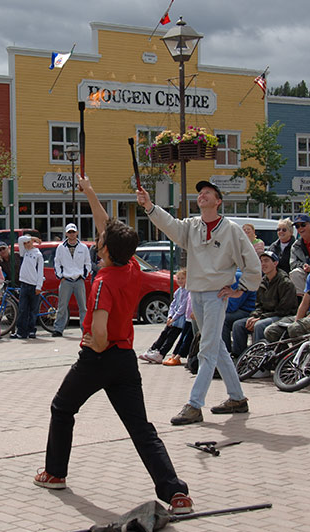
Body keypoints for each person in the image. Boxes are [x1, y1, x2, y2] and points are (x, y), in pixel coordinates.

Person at [33, 172, 193, 516]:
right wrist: (90, 191)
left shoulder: (103, 280)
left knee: (62, 409)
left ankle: (54, 473)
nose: (98, 238)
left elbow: (101, 330)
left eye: (101, 239)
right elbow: (109, 228)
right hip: (126, 360)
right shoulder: (131, 265)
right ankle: (176, 492)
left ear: (105, 249)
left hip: (98, 358)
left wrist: (95, 341)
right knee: (141, 428)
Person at [138, 179, 261, 423]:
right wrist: (150, 206)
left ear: (218, 201)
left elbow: (253, 263)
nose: (202, 195)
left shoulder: (232, 230)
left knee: (207, 349)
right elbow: (170, 225)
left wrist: (241, 288)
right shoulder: (192, 226)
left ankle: (194, 405)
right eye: (200, 192)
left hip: (216, 293)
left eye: (208, 192)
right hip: (196, 292)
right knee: (216, 347)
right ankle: (237, 398)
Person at [230, 250, 298, 359]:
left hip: (283, 316)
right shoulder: (262, 281)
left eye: (266, 261)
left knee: (259, 325)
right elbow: (258, 306)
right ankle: (239, 358)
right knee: (238, 325)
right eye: (261, 261)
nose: (263, 264)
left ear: (275, 263)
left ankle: (258, 359)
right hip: (266, 315)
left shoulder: (285, 283)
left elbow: (284, 310)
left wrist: (260, 318)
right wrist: (254, 316)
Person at [140, 269, 189, 364]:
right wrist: (170, 316)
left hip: (180, 320)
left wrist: (174, 318)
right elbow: (173, 304)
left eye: (183, 278)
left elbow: (183, 308)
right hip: (173, 319)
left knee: (171, 337)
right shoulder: (178, 291)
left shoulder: (188, 292)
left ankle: (161, 353)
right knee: (164, 333)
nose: (180, 280)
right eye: (178, 278)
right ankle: (153, 349)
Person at [52, 223, 91, 337]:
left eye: (73, 232)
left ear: (77, 233)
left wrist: (83, 275)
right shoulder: (61, 247)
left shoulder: (83, 247)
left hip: (79, 280)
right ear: (66, 233)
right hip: (66, 280)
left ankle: (85, 329)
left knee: (83, 307)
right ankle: (58, 329)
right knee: (62, 306)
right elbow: (57, 262)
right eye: (69, 232)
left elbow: (87, 263)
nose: (71, 234)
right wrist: (61, 276)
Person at [13, 233, 44, 339]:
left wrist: (39, 286)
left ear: (33, 243)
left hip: (33, 285)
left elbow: (40, 272)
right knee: (22, 309)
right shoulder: (24, 252)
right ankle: (21, 331)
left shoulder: (38, 254)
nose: (27, 244)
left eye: (29, 242)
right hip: (24, 284)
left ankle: (31, 330)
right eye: (26, 243)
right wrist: (32, 238)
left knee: (33, 310)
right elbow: (20, 239)